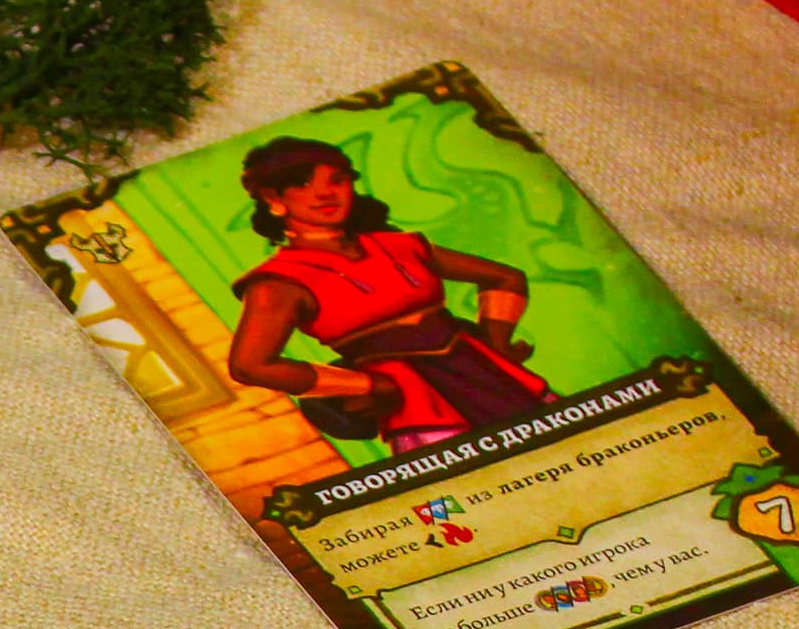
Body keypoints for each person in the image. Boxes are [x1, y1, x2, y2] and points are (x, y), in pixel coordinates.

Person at [224, 136, 555, 455]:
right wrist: (368, 386)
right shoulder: (278, 282)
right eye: (303, 184)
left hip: (493, 378)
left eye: (338, 180)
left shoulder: (400, 245)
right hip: (418, 404)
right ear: (274, 198)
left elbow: (505, 278)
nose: (325, 193)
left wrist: (496, 345)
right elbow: (250, 366)